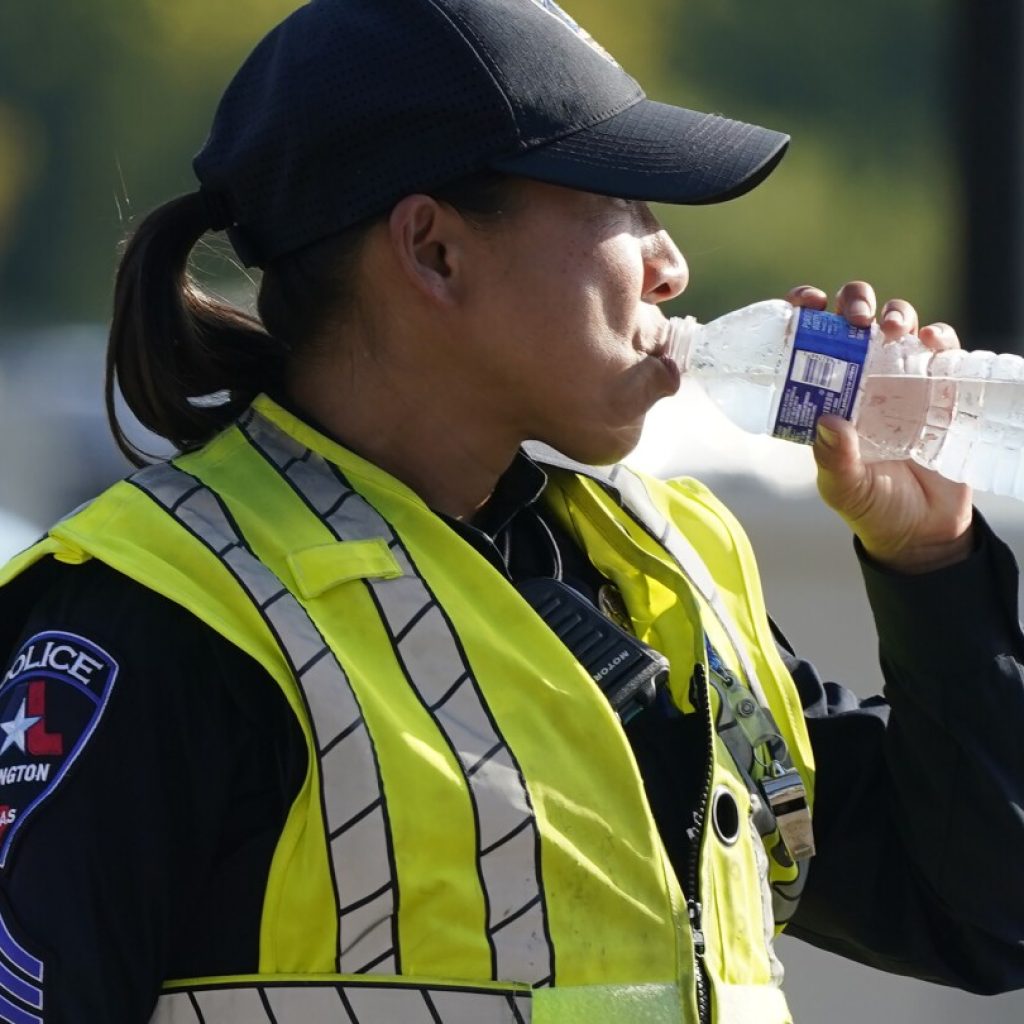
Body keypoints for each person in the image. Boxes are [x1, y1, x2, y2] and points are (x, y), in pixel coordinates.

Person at [0, 0, 1022, 1021]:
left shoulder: (664, 567)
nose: (672, 267)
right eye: (625, 204)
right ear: (434, 249)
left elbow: (984, 915)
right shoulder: (161, 617)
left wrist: (929, 563)